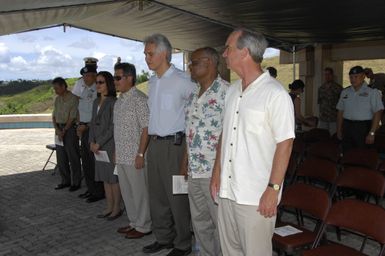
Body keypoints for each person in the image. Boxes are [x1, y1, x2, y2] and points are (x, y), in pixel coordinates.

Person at [210, 28, 295, 255]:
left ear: (244, 52)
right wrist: (217, 171)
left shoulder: (275, 94)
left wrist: (273, 189)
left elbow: (285, 144)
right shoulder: (232, 91)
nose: (224, 54)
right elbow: (224, 136)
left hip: (255, 196)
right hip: (227, 191)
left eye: (228, 48)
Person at [142, 33, 194, 256]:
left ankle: (183, 243)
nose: (146, 58)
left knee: (177, 197)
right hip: (154, 145)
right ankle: (163, 238)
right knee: (157, 196)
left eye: (150, 53)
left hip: (174, 147)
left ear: (164, 53)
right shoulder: (152, 81)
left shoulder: (183, 81)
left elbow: (196, 114)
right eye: (145, 54)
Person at [180, 47, 228, 256]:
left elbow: (229, 136)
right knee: (199, 223)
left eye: (194, 62)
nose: (190, 66)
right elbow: (189, 132)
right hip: (194, 171)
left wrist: (218, 172)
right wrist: (185, 161)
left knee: (221, 224)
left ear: (208, 63)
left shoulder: (227, 93)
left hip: (214, 173)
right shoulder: (192, 95)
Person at [113, 63, 152, 238]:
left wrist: (141, 154)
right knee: (127, 193)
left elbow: (146, 129)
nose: (115, 81)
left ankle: (144, 226)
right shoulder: (119, 101)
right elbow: (118, 128)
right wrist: (116, 150)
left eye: (118, 77)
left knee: (140, 193)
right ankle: (134, 222)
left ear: (130, 78)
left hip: (135, 156)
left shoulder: (140, 99)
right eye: (115, 77)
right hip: (121, 155)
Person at [88, 71, 120, 220]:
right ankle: (109, 206)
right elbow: (93, 124)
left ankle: (116, 208)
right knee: (104, 178)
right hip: (97, 146)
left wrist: (99, 143)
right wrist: (91, 142)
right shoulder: (95, 102)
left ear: (108, 84)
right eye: (97, 82)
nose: (98, 85)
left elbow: (113, 127)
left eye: (101, 82)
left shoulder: (114, 102)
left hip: (109, 145)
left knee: (113, 179)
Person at [73, 58, 105, 203]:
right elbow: (79, 109)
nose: (85, 78)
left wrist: (86, 126)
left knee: (94, 163)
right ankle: (90, 189)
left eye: (89, 76)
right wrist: (79, 124)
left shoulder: (99, 92)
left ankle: (98, 192)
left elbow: (99, 115)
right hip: (83, 129)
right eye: (84, 76)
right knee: (85, 161)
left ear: (94, 76)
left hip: (93, 130)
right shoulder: (84, 91)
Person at [337, 66, 384, 152]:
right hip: (347, 127)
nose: (353, 79)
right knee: (346, 153)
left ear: (363, 77)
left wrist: (372, 133)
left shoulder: (372, 92)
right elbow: (340, 111)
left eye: (356, 77)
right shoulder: (345, 92)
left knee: (361, 155)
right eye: (351, 77)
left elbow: (378, 112)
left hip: (363, 128)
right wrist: (339, 129)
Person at [51, 77, 82, 191]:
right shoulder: (57, 99)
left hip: (69, 130)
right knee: (61, 157)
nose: (55, 91)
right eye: (54, 88)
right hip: (58, 129)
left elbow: (72, 116)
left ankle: (76, 182)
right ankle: (65, 180)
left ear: (64, 86)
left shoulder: (73, 99)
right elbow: (54, 116)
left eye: (57, 88)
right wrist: (57, 130)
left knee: (73, 156)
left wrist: (63, 131)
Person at [317, 67, 342, 135]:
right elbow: (320, 103)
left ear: (332, 75)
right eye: (325, 74)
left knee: (333, 138)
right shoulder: (321, 88)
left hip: (334, 118)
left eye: (328, 74)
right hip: (323, 118)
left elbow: (342, 105)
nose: (327, 76)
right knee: (322, 137)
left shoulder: (338, 88)